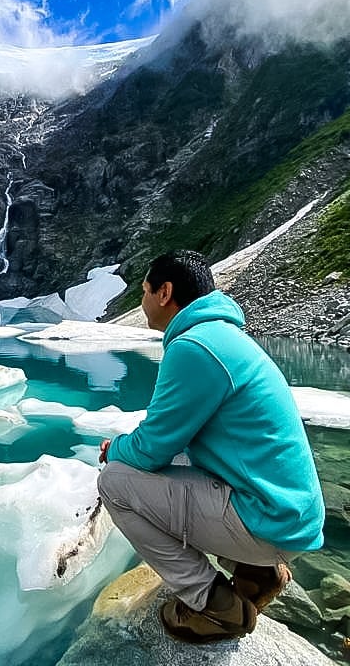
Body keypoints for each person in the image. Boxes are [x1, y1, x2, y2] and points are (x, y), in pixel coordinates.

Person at [97, 249, 324, 644]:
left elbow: (150, 449)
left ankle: (214, 604)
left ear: (165, 292)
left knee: (115, 482)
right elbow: (171, 439)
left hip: (269, 523)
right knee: (177, 457)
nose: (143, 300)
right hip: (286, 517)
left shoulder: (194, 347)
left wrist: (113, 450)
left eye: (146, 290)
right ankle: (256, 574)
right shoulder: (221, 336)